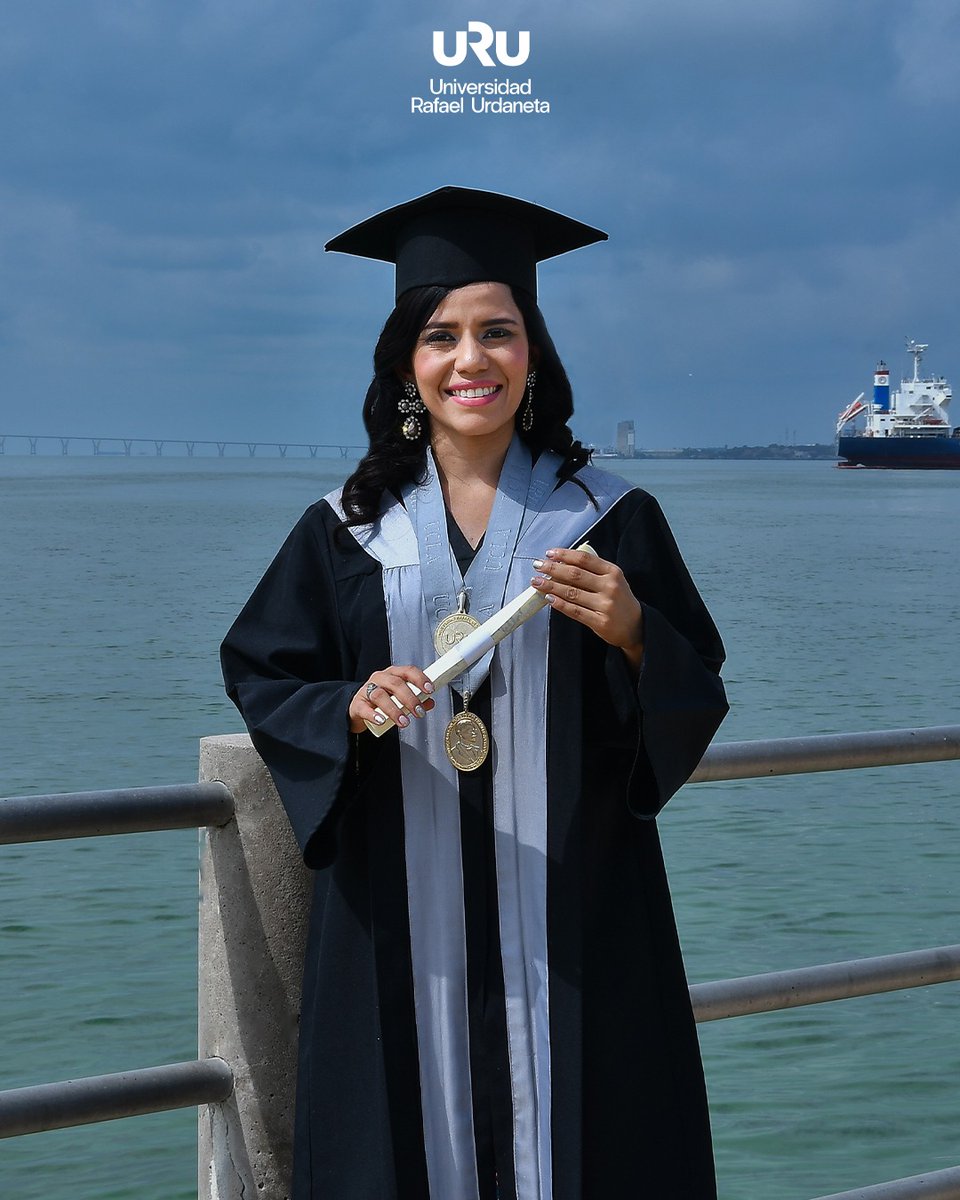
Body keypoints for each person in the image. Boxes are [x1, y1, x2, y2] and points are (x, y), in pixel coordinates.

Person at [220, 186, 728, 1200]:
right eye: (441, 336)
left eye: (497, 333)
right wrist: (349, 707)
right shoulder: (345, 531)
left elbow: (693, 687)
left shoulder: (607, 520)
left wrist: (633, 632)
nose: (471, 359)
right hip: (394, 925)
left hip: (580, 914)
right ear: (407, 364)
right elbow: (268, 671)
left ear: (532, 354)